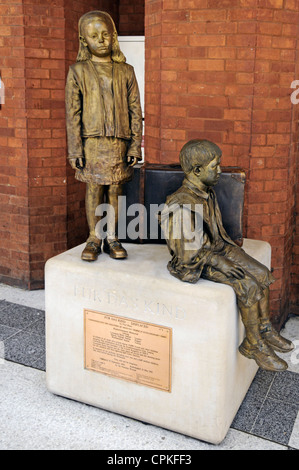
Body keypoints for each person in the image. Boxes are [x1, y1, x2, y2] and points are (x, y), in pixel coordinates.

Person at [159, 139, 294, 371]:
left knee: (261, 274)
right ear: (197, 170)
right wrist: (219, 261)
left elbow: (217, 236)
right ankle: (252, 344)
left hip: (218, 247)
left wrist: (225, 252)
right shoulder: (181, 205)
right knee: (246, 284)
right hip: (197, 261)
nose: (220, 171)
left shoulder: (206, 193)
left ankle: (264, 329)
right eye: (215, 166)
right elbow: (187, 253)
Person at [65, 11, 142, 261]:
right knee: (94, 188)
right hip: (92, 143)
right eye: (94, 36)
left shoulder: (126, 71)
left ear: (114, 37)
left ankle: (113, 237)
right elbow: (73, 114)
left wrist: (135, 146)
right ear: (83, 40)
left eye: (106, 34)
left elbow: (135, 111)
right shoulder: (78, 72)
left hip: (119, 142)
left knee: (115, 189)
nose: (101, 40)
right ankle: (93, 237)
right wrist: (75, 149)